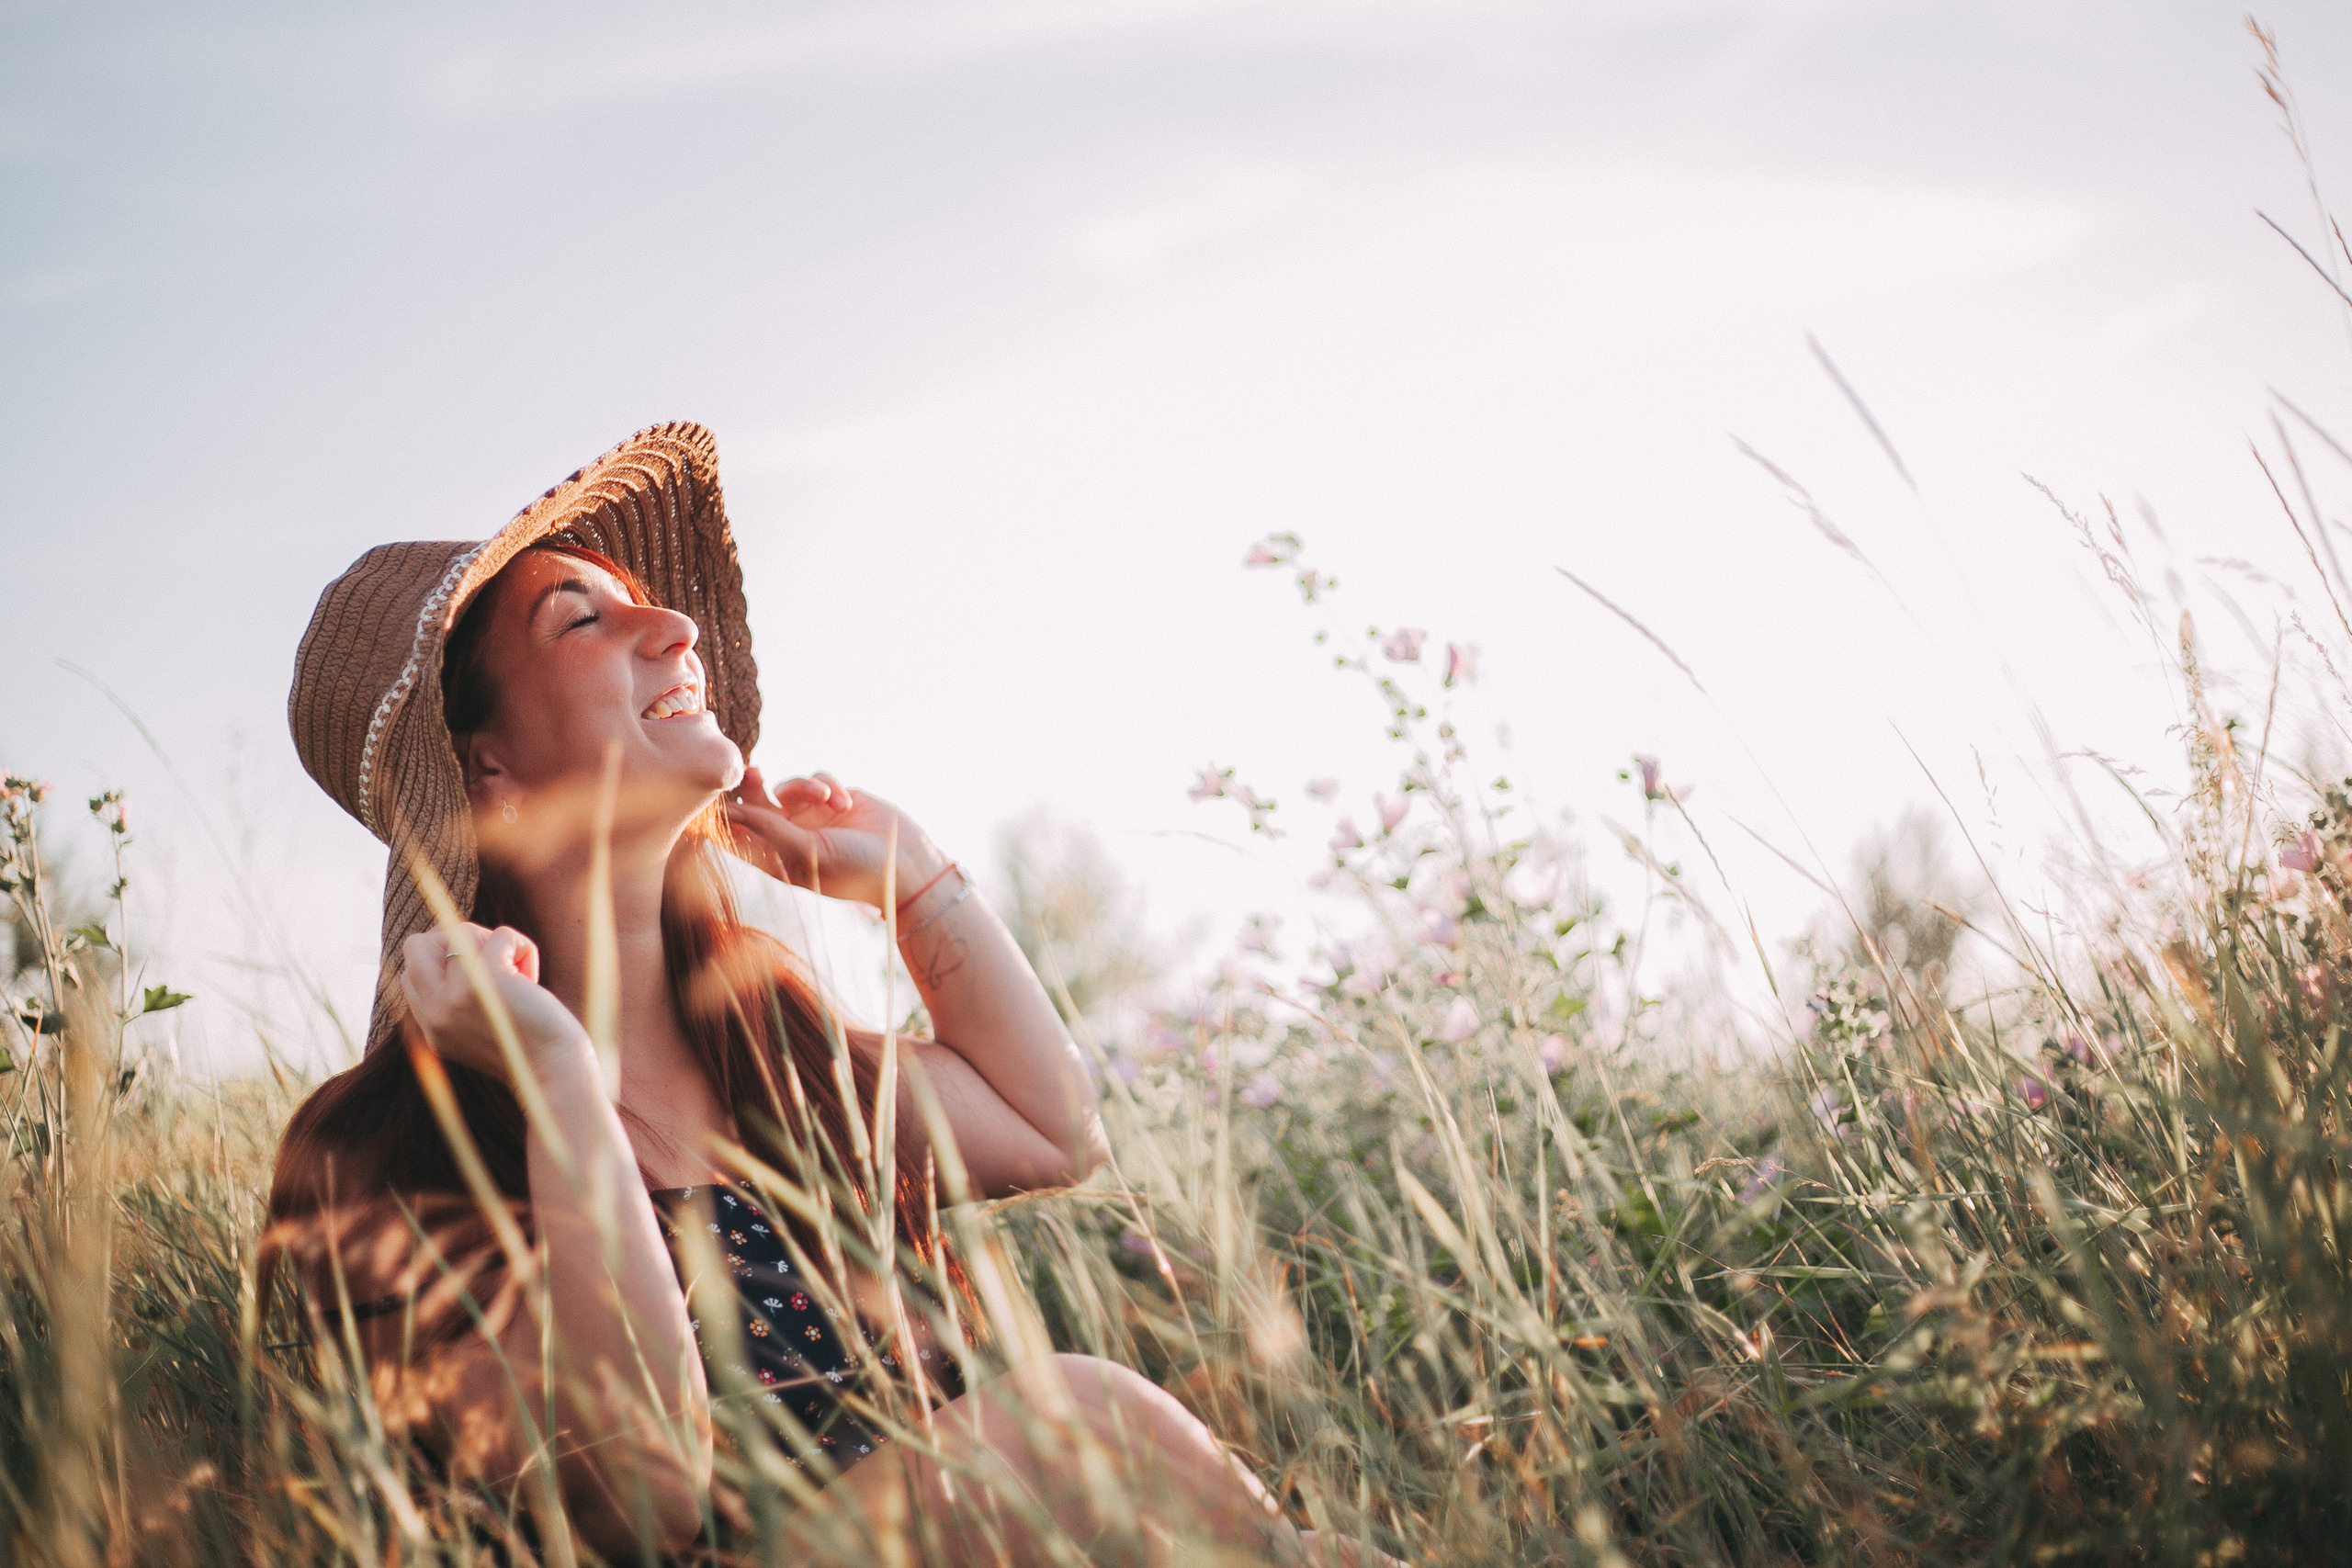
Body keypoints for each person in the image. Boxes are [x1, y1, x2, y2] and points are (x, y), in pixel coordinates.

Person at [264, 425, 1359, 1565]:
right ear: (481, 761)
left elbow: (1053, 1131)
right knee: (1085, 1418)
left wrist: (913, 880)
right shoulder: (388, 1151)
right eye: (584, 619)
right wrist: (558, 1085)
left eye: (648, 606)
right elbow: (642, 1500)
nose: (675, 631)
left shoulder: (776, 1055)